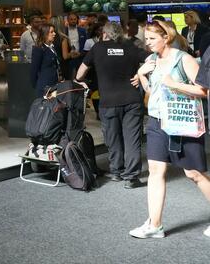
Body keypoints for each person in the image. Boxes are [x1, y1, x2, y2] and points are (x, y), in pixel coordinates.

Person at [130, 20, 210, 239]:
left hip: (181, 122)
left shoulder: (183, 59)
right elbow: (151, 91)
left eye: (152, 38)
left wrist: (174, 84)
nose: (148, 43)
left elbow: (203, 91)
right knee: (156, 170)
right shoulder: (151, 60)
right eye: (146, 39)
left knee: (193, 173)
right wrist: (142, 74)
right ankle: (154, 225)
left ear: (166, 37)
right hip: (157, 121)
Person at [76, 22, 145, 188]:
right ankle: (131, 177)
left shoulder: (97, 48)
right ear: (120, 34)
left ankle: (116, 171)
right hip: (132, 100)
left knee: (113, 138)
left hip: (108, 102)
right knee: (132, 139)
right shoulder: (131, 47)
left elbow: (80, 73)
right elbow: (153, 59)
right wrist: (141, 75)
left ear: (104, 34)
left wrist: (80, 81)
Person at [30, 24, 61, 98]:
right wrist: (37, 86)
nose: (54, 34)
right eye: (51, 32)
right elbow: (34, 70)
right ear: (45, 34)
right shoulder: (39, 49)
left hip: (54, 84)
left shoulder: (52, 47)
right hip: (44, 86)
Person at [48, 15, 70, 81]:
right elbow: (65, 56)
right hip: (61, 67)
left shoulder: (47, 37)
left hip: (50, 66)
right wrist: (71, 54)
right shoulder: (62, 38)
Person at [65, 12, 87, 79]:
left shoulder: (82, 31)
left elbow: (86, 45)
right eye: (71, 19)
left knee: (80, 78)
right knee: (69, 78)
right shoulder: (64, 31)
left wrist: (80, 54)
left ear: (77, 20)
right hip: (68, 59)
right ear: (68, 20)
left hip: (80, 57)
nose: (73, 21)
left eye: (75, 19)